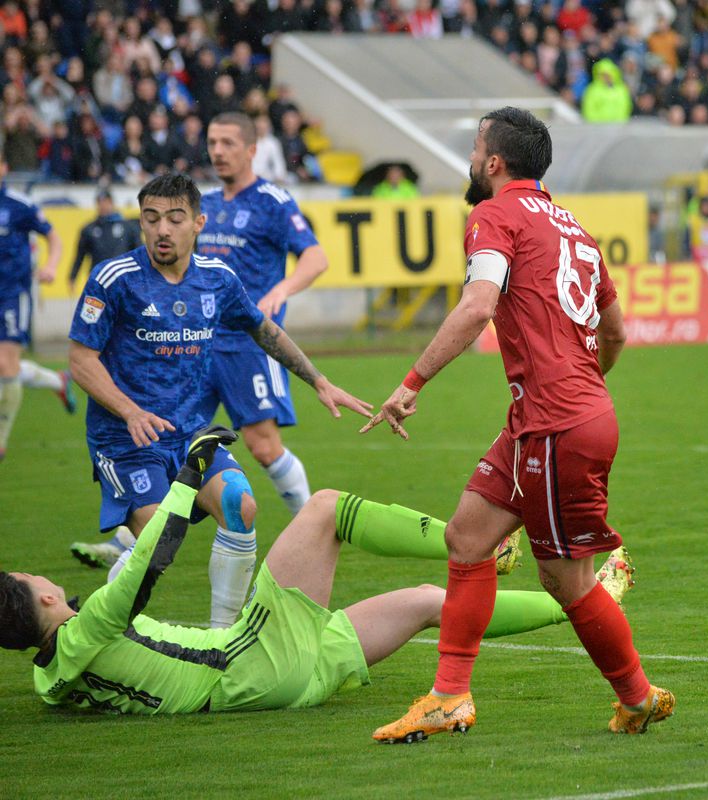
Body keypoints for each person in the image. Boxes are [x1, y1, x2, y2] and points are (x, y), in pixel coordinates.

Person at [362, 107, 674, 743]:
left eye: (477, 150)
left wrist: (410, 383)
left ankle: (638, 697)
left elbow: (478, 305)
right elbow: (614, 332)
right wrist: (586, 384)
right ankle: (449, 696)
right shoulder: (576, 230)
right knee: (468, 537)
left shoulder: (493, 214)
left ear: (494, 162)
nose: (472, 162)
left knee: (566, 580)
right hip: (546, 417)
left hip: (556, 422)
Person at [1, 426, 636, 716]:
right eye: (32, 581)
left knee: (428, 602)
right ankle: (470, 543)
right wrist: (187, 479)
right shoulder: (83, 634)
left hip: (275, 683)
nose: (41, 578)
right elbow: (143, 569)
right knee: (327, 508)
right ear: (45, 600)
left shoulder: (50, 679)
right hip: (249, 660)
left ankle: (586, 597)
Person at [65, 173, 370, 630]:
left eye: (174, 218)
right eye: (151, 219)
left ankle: (221, 637)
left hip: (189, 434)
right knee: (157, 539)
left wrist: (319, 381)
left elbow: (263, 329)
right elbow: (80, 358)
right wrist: (129, 411)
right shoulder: (115, 278)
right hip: (125, 439)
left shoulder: (217, 278)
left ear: (198, 222)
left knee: (240, 506)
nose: (162, 229)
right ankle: (89, 630)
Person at [196, 111, 330, 517]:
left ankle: (312, 525)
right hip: (195, 345)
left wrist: (281, 289)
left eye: (228, 143)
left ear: (251, 150)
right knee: (164, 438)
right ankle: (130, 539)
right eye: (212, 142)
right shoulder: (205, 204)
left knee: (263, 446)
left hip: (248, 345)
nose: (218, 151)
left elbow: (316, 256)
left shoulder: (273, 202)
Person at [0, 157, 63, 463]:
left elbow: (53, 236)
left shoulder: (19, 205)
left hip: (12, 295)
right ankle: (57, 381)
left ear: (4, 168)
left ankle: (1, 440)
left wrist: (51, 265)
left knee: (5, 362)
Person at [68, 189, 142, 290]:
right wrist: (73, 276)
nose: (103, 205)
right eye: (100, 202)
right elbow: (80, 255)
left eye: (106, 202)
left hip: (123, 279)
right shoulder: (89, 229)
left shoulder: (128, 227)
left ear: (112, 203)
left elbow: (139, 253)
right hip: (99, 279)